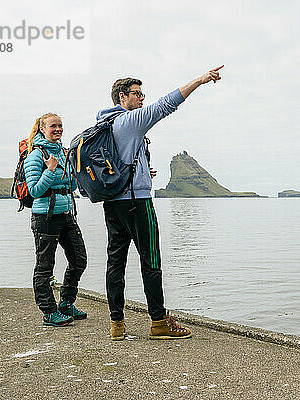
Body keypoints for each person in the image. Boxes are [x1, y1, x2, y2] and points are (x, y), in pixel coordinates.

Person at [97, 65, 223, 340]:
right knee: (150, 260)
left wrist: (142, 171)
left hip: (113, 203)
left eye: (142, 94)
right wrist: (200, 80)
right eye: (136, 94)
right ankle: (158, 322)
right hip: (137, 202)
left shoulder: (106, 124)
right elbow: (166, 105)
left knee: (115, 262)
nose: (142, 98)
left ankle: (116, 324)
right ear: (122, 97)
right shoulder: (129, 121)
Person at [24, 113, 88, 326]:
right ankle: (49, 312)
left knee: (79, 260)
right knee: (45, 266)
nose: (58, 129)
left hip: (66, 215)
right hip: (45, 218)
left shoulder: (63, 152)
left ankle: (66, 303)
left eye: (60, 125)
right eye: (53, 126)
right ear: (43, 129)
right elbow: (34, 191)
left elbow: (71, 186)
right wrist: (50, 170)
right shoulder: (35, 156)